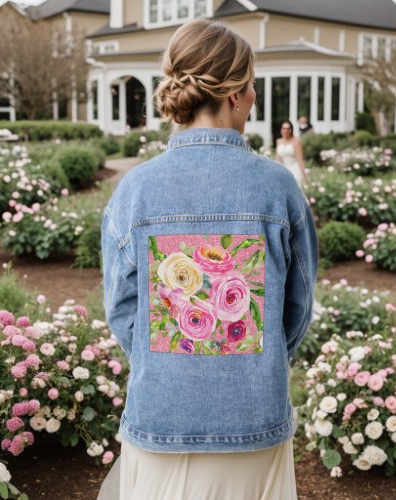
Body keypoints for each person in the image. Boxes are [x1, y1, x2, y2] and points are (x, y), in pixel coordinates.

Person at [100, 19, 317, 500]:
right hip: (252, 420)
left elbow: (122, 310)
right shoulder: (277, 187)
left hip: (161, 416)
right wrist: (255, 360)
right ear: (237, 94)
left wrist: (166, 362)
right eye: (254, 85)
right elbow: (297, 310)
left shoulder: (134, 189)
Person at [275, 120, 308, 185]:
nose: (286, 131)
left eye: (288, 129)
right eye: (284, 128)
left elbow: (300, 160)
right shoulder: (278, 141)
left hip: (295, 171)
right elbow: (278, 159)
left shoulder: (296, 141)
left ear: (291, 130)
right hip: (283, 170)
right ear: (281, 130)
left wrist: (305, 177)